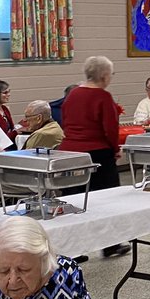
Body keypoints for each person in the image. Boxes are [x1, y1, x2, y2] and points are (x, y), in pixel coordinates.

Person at [60, 57, 125, 256]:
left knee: (73, 200)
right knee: (106, 200)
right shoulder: (103, 97)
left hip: (69, 152)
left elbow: (65, 120)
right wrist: (115, 150)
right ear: (104, 76)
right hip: (96, 153)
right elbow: (110, 129)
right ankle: (110, 244)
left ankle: (73, 249)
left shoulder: (72, 95)